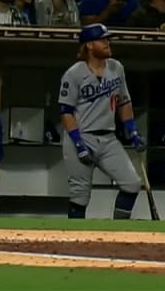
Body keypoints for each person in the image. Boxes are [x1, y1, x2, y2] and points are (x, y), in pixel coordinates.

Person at [59, 24, 144, 219]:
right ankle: (75, 239)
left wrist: (132, 131)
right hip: (81, 136)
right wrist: (78, 143)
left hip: (108, 137)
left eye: (108, 39)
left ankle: (117, 232)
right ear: (89, 45)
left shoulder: (116, 67)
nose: (107, 43)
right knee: (80, 196)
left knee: (131, 183)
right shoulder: (74, 73)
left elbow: (124, 101)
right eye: (103, 40)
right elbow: (66, 112)